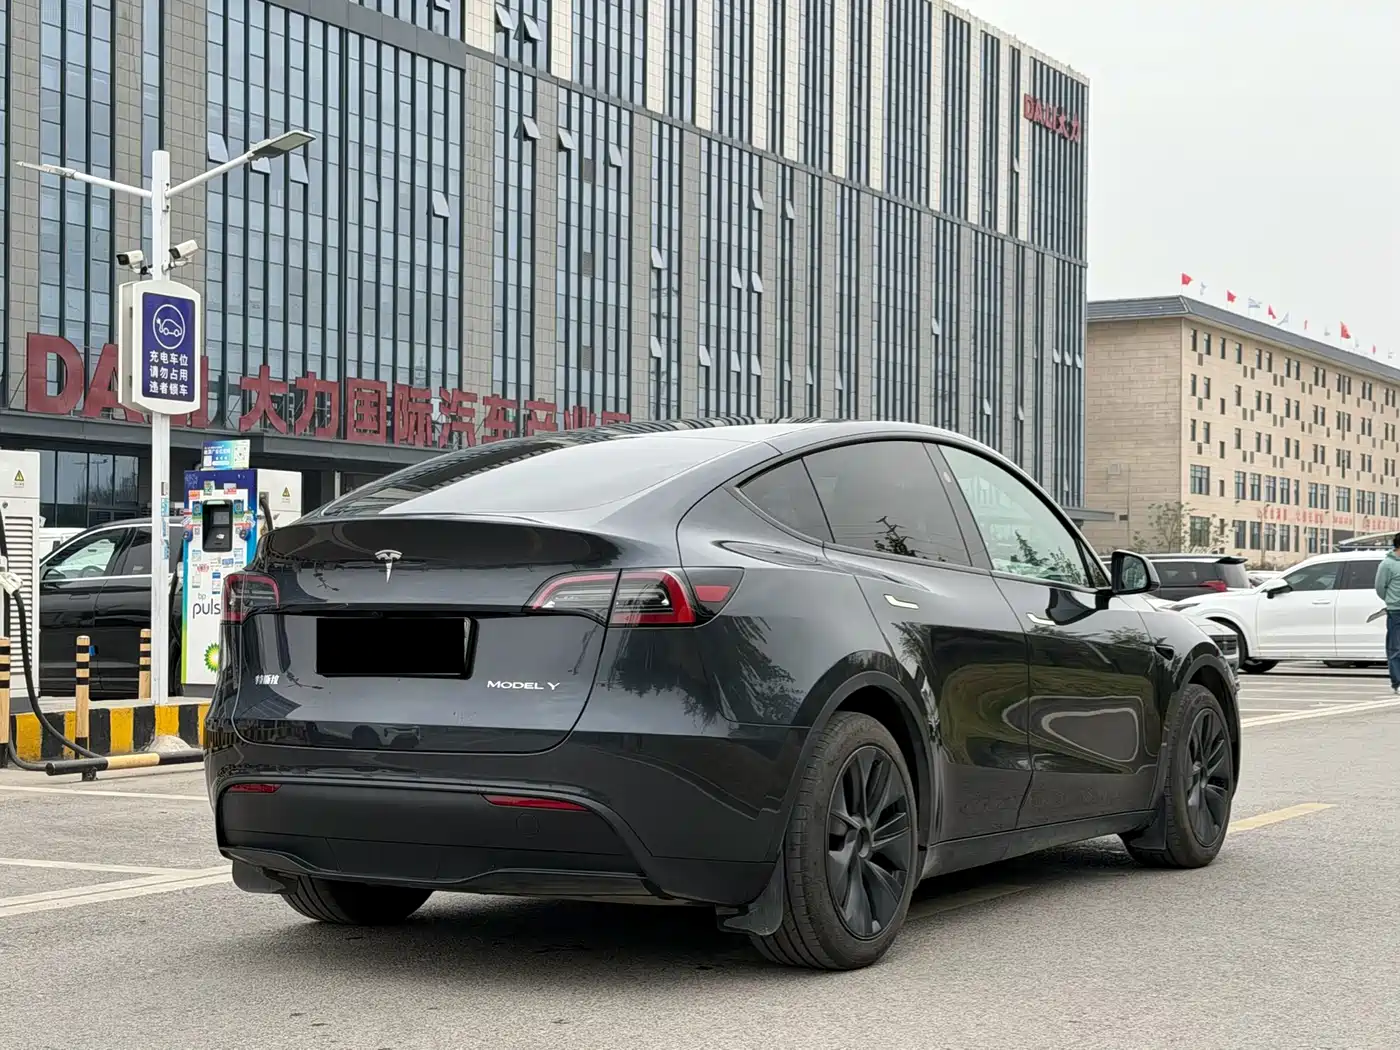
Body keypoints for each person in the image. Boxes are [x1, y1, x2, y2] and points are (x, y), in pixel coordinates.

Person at [1373, 533, 1400, 694]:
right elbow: (1380, 588)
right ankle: (1397, 682)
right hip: (1396, 611)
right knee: (1396, 648)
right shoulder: (1387, 564)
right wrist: (1392, 601)